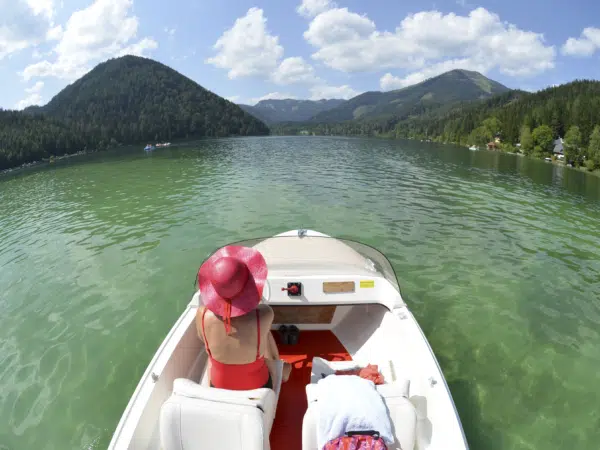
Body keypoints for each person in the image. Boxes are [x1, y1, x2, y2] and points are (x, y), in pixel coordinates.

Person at [196, 244, 292, 391]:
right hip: (256, 387)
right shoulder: (264, 314)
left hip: (218, 385)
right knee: (267, 337)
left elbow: (203, 338)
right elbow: (259, 334)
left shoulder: (202, 315)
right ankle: (281, 369)